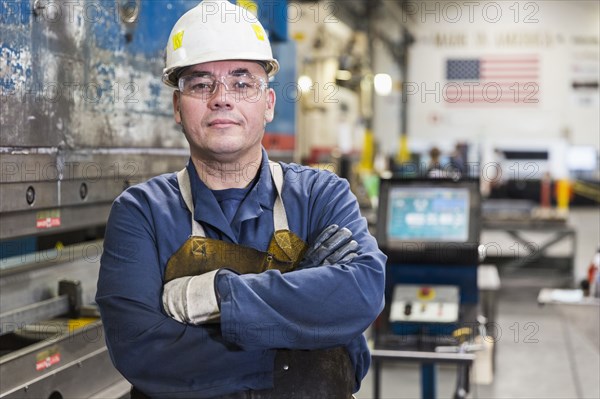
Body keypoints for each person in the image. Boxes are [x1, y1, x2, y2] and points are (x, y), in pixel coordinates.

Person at [96, 1, 386, 398]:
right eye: (200, 84)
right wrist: (303, 335)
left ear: (267, 104)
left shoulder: (323, 196)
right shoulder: (141, 213)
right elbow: (140, 348)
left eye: (242, 82)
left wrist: (214, 296)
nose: (222, 98)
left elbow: (362, 294)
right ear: (178, 107)